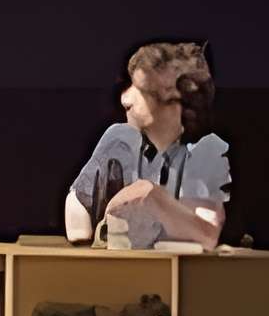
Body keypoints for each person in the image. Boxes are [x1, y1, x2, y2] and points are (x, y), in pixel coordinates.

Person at [60, 40, 240, 248]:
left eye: (141, 90)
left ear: (173, 101)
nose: (125, 100)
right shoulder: (120, 140)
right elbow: (76, 219)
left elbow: (207, 235)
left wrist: (151, 194)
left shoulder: (207, 152)